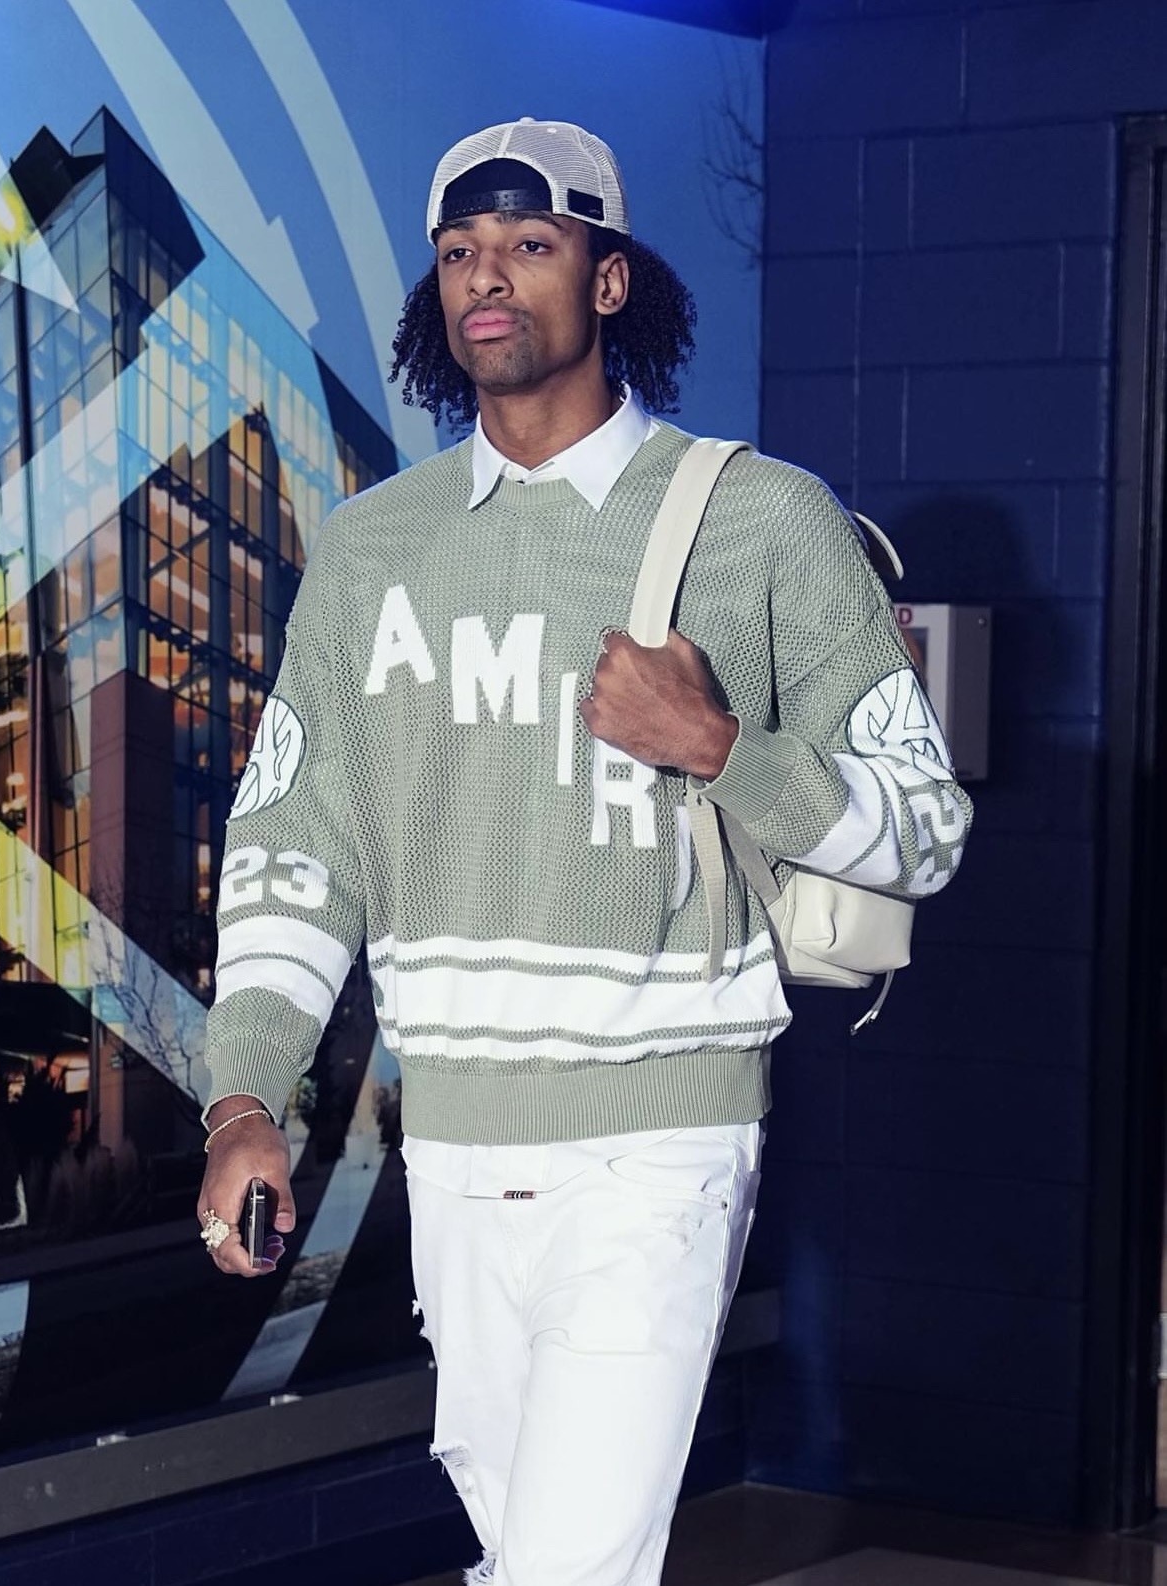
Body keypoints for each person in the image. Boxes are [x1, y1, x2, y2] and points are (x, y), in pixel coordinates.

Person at [196, 117, 972, 1586]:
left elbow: (927, 826)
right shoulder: (370, 550)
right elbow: (296, 844)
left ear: (609, 279)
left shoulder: (759, 520)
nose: (486, 278)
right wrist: (246, 1091)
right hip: (455, 1147)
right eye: (459, 253)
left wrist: (725, 749)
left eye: (530, 245)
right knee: (536, 1549)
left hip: (659, 1141)